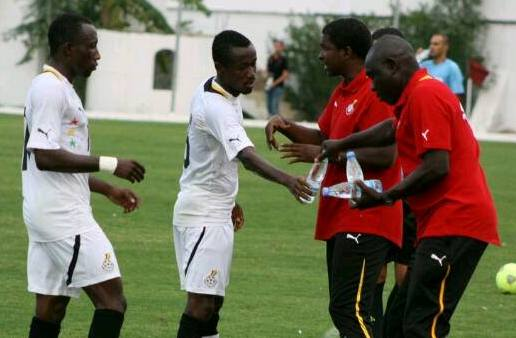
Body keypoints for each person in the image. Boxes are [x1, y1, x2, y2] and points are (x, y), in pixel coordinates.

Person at [320, 35, 500, 338]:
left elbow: (437, 165)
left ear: (393, 66)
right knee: (396, 323)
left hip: (456, 222)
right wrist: (344, 142)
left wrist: (385, 196)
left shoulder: (426, 94)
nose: (373, 87)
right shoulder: (416, 93)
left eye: (375, 77)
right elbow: (392, 127)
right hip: (439, 225)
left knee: (422, 326)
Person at [265, 18, 402, 337]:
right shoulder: (343, 91)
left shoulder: (375, 91)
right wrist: (286, 126)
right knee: (350, 311)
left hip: (368, 216)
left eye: (325, 48)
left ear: (347, 51)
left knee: (348, 310)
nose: (320, 55)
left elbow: (387, 156)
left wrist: (328, 155)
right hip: (342, 215)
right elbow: (325, 136)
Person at [172, 30, 311, 338]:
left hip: (215, 209)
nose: (251, 74)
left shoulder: (222, 93)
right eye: (242, 67)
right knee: (200, 305)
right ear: (220, 66)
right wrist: (288, 180)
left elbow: (211, 157)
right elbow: (246, 156)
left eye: (253, 64)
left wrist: (229, 199)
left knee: (212, 306)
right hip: (202, 215)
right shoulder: (216, 106)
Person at [22, 13, 146, 338]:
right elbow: (45, 156)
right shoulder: (51, 90)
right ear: (67, 49)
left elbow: (60, 160)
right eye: (91, 47)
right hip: (63, 216)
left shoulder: (58, 88)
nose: (97, 54)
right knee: (112, 302)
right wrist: (110, 163)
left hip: (48, 211)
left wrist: (106, 188)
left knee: (52, 307)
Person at [370, 27, 418, 338]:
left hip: (404, 194)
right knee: (377, 268)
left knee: (404, 272)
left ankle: (392, 328)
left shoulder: (406, 94)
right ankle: (376, 326)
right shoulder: (380, 90)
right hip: (382, 192)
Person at [419, 33, 465, 101]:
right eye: (431, 44)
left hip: (440, 110)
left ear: (445, 47)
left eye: (436, 44)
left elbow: (457, 97)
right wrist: (417, 58)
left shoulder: (452, 67)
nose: (431, 47)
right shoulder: (423, 65)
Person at [265, 39, 289, 116]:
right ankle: (270, 123)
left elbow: (285, 75)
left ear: (282, 47)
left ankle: (277, 123)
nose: (277, 48)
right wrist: (269, 82)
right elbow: (269, 73)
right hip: (270, 85)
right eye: (276, 46)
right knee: (269, 106)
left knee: (274, 105)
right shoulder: (270, 58)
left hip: (278, 86)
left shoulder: (283, 59)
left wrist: (274, 84)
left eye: (279, 46)